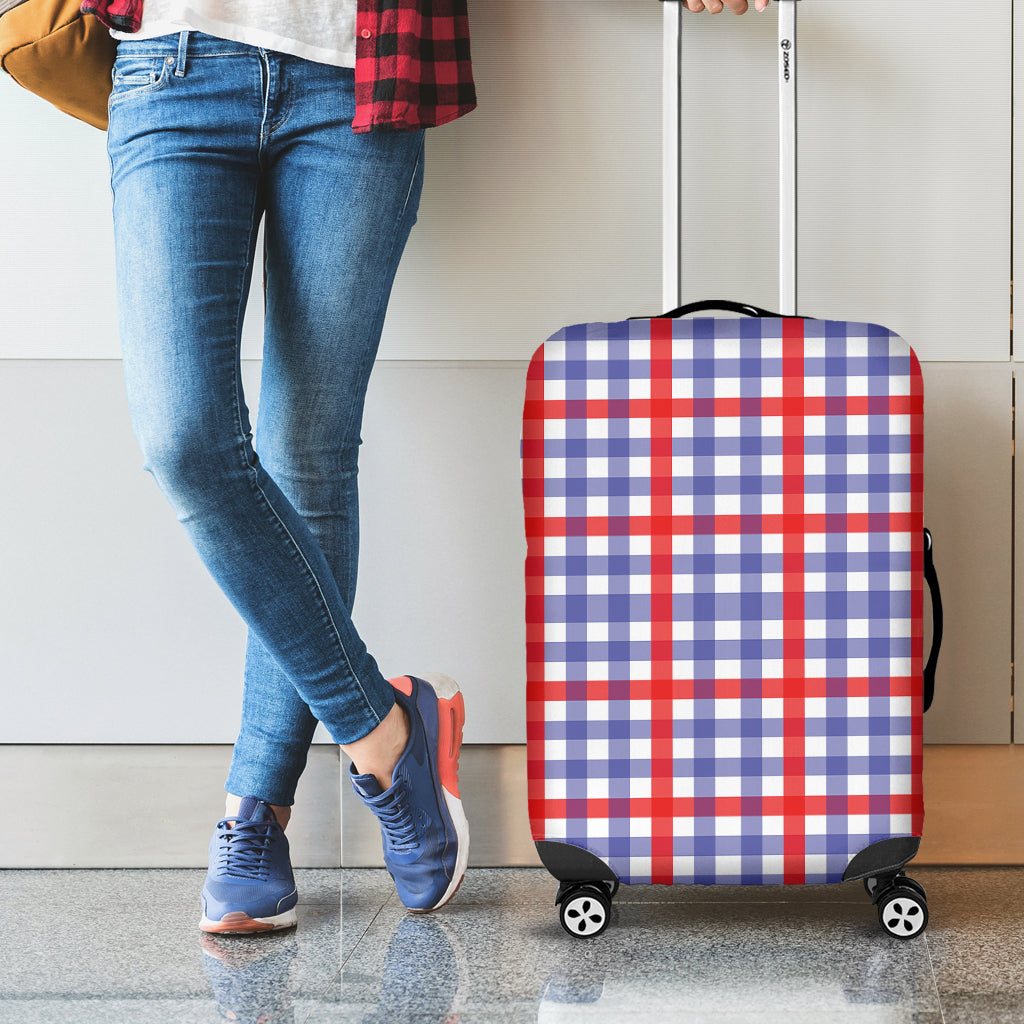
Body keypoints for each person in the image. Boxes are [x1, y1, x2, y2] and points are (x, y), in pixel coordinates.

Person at [84, 0, 476, 933]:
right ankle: (385, 730)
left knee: (308, 456)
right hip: (173, 69)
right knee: (184, 441)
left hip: (359, 79)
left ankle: (255, 813)